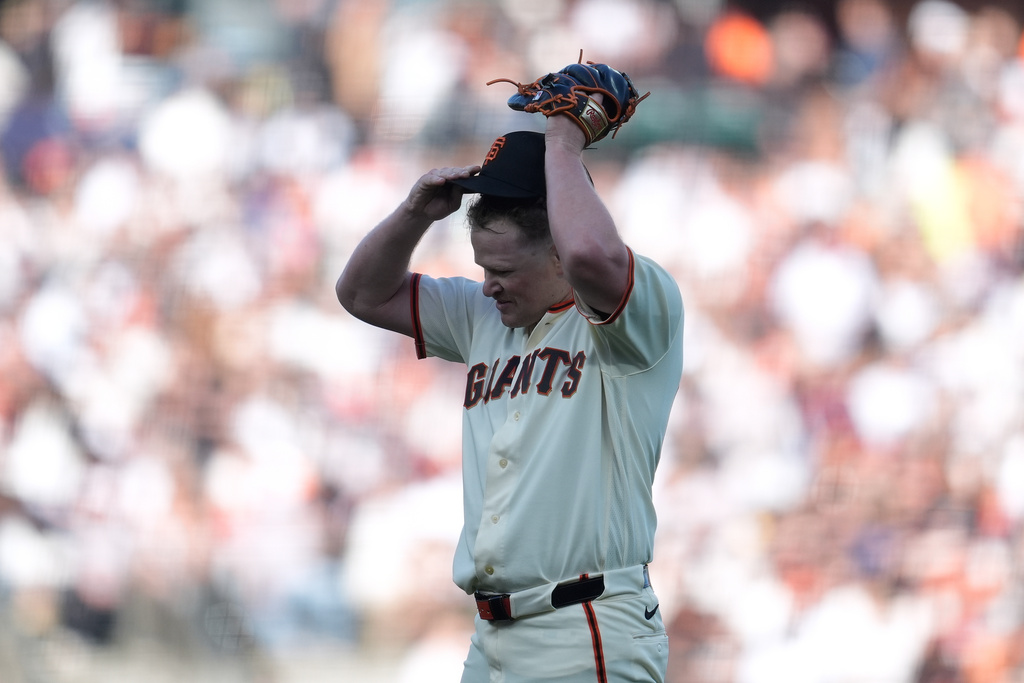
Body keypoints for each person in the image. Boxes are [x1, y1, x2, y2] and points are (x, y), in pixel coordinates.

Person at [336, 109, 684, 682]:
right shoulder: (482, 316)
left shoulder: (639, 313)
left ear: (557, 253)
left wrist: (565, 145)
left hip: (586, 628)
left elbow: (593, 257)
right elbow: (361, 293)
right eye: (482, 267)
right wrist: (414, 214)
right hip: (491, 638)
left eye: (504, 268)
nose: (488, 283)